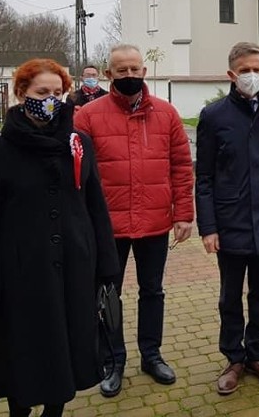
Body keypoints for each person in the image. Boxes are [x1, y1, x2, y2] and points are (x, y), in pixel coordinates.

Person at [0, 59, 118, 417]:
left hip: (73, 273)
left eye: (57, 92)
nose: (51, 100)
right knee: (22, 360)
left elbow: (95, 205)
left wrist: (106, 268)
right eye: (41, 93)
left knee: (66, 355)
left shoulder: (78, 142)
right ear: (21, 94)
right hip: (21, 278)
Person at [74, 44, 194, 398]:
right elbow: (77, 177)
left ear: (144, 71)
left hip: (155, 222)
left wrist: (184, 214)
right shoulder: (88, 116)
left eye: (134, 70)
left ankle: (151, 355)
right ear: (108, 75)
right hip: (107, 226)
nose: (128, 76)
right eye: (120, 70)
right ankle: (113, 361)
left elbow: (181, 167)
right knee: (108, 295)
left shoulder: (168, 114)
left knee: (152, 291)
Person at [196, 42, 259, 395]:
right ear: (231, 74)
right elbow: (204, 177)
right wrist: (207, 227)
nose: (251, 75)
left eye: (257, 68)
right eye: (244, 70)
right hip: (230, 222)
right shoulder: (213, 116)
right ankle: (234, 358)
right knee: (230, 296)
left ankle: (256, 353)